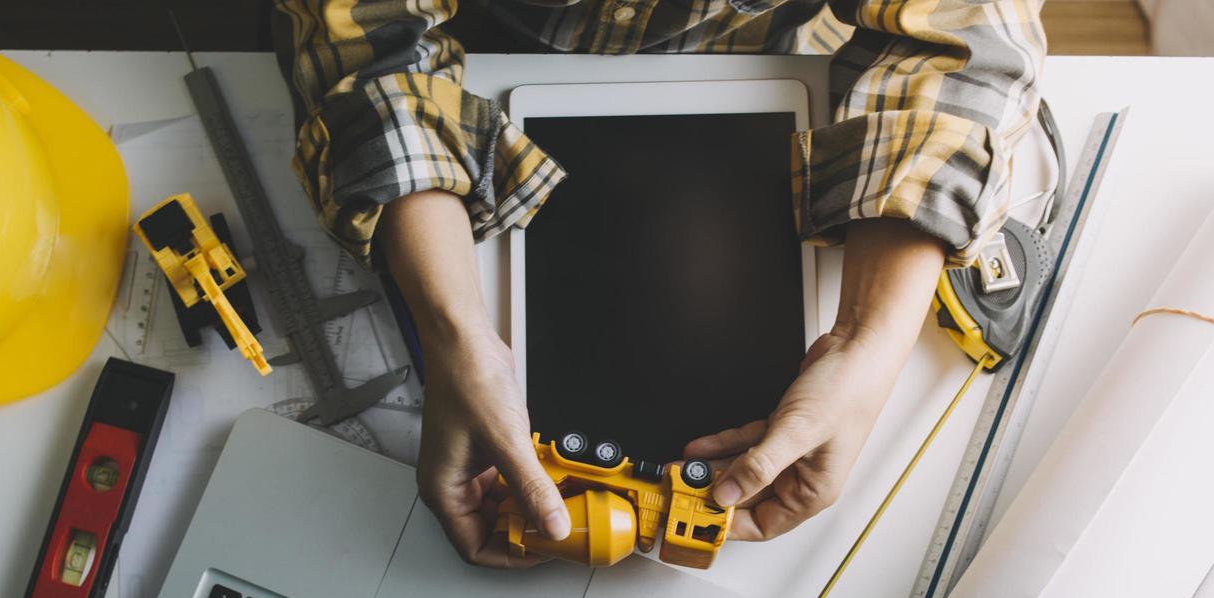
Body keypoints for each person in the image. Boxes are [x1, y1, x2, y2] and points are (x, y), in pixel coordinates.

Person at [273, 0, 1045, 566]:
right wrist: (454, 335)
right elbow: (364, 36)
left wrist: (867, 342)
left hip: (761, 43)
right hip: (476, 38)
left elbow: (968, 33)